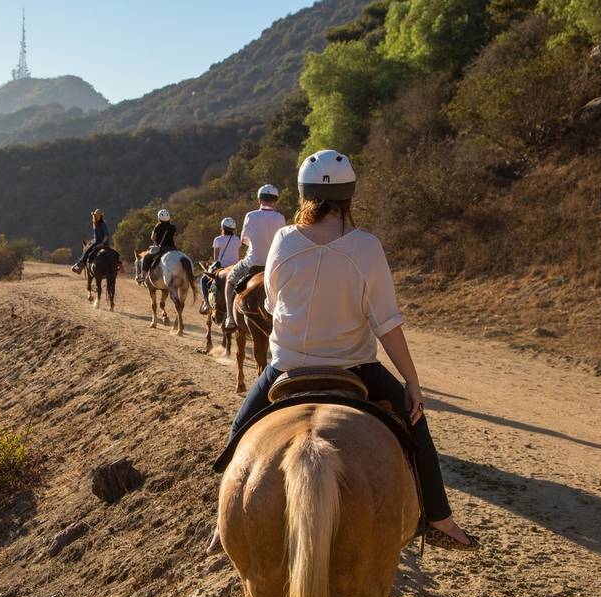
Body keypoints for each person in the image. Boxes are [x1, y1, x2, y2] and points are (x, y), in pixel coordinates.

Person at [209, 150, 479, 553]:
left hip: (286, 367)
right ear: (349, 195)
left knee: (238, 433)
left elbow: (270, 304)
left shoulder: (284, 240)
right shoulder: (367, 246)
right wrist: (412, 383)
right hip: (355, 366)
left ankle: (222, 522)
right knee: (415, 426)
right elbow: (386, 322)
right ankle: (439, 517)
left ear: (303, 193)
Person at [223, 185, 286, 330]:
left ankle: (230, 318)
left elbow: (244, 240)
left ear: (259, 200)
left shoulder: (251, 216)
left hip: (252, 262)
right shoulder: (280, 218)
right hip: (274, 265)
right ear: (275, 201)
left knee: (230, 280)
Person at [200, 216, 240, 314]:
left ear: (222, 228)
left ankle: (206, 303)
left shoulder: (217, 239)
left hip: (221, 268)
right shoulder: (237, 240)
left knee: (203, 280)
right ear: (233, 229)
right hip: (235, 268)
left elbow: (215, 257)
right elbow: (238, 257)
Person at [137, 208, 177, 284]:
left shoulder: (158, 226)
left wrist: (156, 242)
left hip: (162, 248)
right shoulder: (173, 227)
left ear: (159, 218)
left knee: (146, 257)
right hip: (172, 248)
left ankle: (143, 276)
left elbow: (152, 237)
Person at [71, 208, 111, 274]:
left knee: (87, 251)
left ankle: (80, 268)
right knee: (87, 248)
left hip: (101, 242)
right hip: (96, 241)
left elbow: (106, 236)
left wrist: (102, 243)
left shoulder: (102, 224)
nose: (97, 216)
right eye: (96, 215)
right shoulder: (95, 224)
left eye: (98, 215)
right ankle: (79, 264)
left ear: (101, 216)